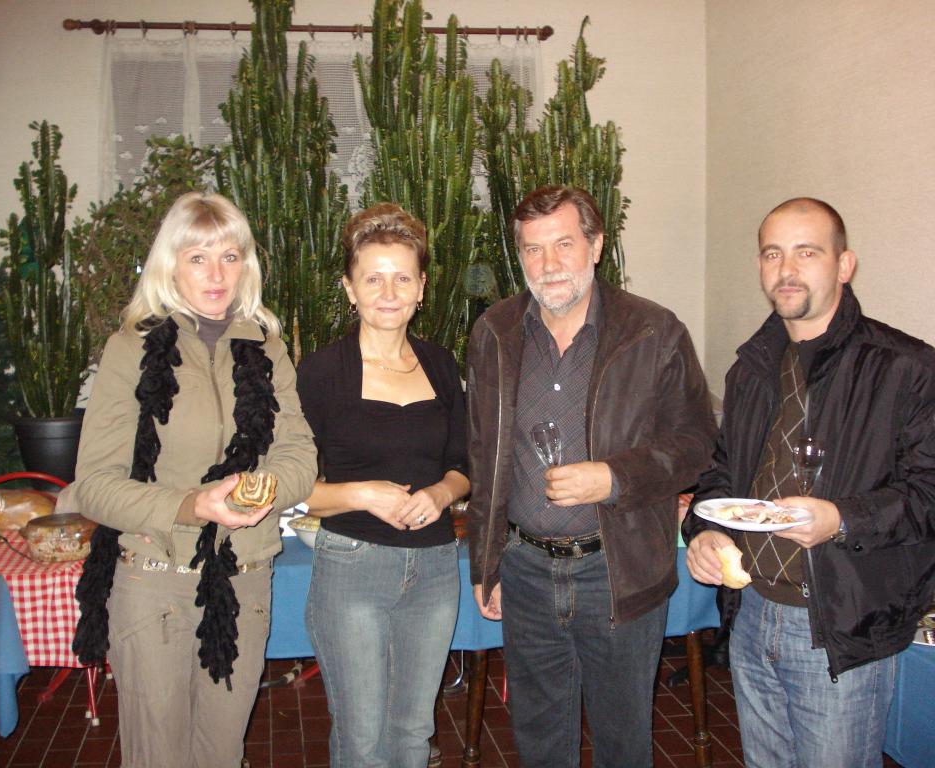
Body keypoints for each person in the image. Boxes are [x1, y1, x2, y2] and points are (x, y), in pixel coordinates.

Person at [466, 185, 716, 767]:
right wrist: (486, 560)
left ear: (596, 245)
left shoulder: (653, 331)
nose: (548, 264)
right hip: (525, 571)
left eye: (564, 244)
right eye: (532, 249)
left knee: (622, 742)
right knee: (538, 741)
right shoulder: (494, 332)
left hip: (616, 570)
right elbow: (483, 455)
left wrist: (614, 477)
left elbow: (697, 444)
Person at [684, 198, 935, 768]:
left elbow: (929, 495)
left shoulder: (905, 368)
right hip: (752, 613)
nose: (787, 269)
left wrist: (841, 519)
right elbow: (721, 474)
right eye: (773, 254)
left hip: (840, 626)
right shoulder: (751, 368)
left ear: (844, 265)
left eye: (807, 252)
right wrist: (706, 531)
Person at [71, 192, 317, 768]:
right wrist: (194, 505)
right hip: (156, 582)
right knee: (158, 757)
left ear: (246, 265)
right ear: (170, 264)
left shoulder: (266, 348)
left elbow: (300, 454)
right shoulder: (130, 349)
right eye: (198, 257)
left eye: (230, 257)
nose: (216, 274)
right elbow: (95, 485)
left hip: (244, 582)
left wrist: (261, 490)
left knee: (221, 754)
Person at [296, 202, 470, 768]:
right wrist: (362, 493)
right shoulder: (321, 372)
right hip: (352, 568)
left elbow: (462, 463)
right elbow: (287, 484)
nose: (389, 292)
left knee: (414, 732)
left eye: (402, 278)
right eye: (373, 279)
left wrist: (441, 493)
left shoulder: (442, 365)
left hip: (436, 568)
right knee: (363, 738)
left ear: (422, 288)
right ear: (350, 289)